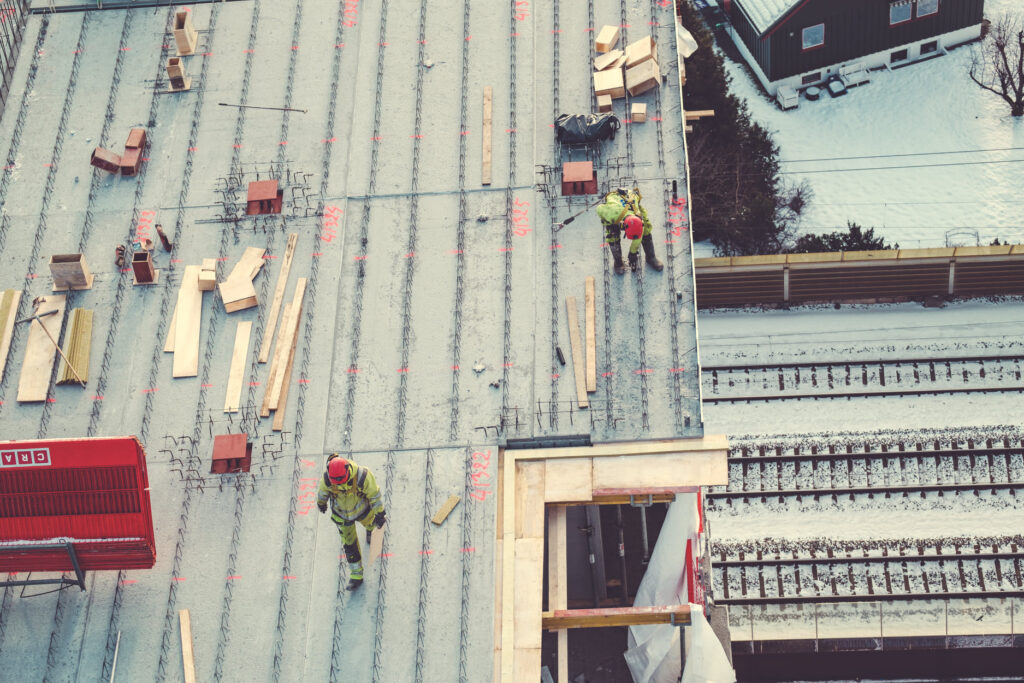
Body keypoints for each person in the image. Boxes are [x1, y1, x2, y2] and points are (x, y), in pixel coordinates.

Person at [317, 454, 386, 590]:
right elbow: (322, 492)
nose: (340, 484)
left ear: (348, 470)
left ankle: (369, 531)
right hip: (342, 516)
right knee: (350, 546)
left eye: (342, 481)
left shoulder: (363, 476)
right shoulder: (328, 479)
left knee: (374, 527)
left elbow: (374, 494)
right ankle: (356, 576)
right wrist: (321, 503)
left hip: (363, 511)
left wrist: (379, 512)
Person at [596, 187, 664, 275]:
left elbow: (638, 236)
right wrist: (607, 220)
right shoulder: (611, 213)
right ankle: (618, 262)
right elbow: (599, 208)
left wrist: (633, 253)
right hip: (615, 208)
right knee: (612, 235)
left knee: (646, 229)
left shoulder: (639, 220)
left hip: (631, 203)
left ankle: (651, 257)